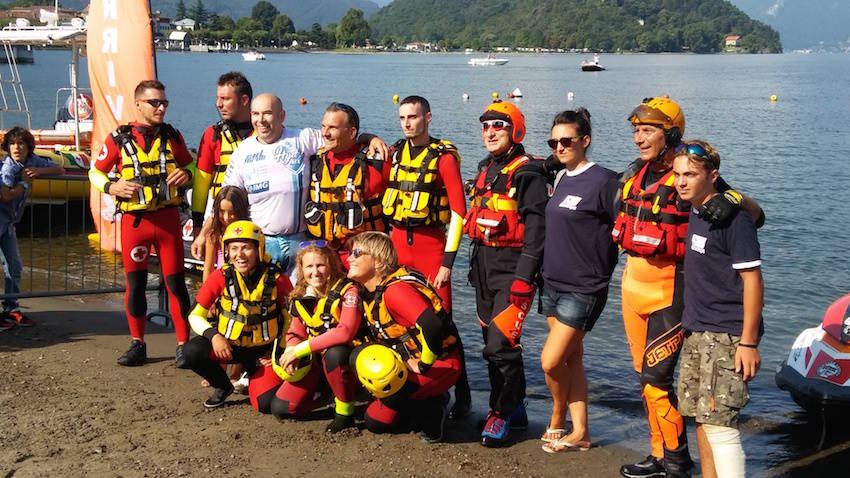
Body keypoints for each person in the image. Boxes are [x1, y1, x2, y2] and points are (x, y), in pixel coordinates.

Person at [614, 97, 764, 478]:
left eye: (648, 131)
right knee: (645, 378)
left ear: (672, 133)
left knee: (656, 378)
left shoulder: (693, 172)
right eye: (636, 130)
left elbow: (755, 215)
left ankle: (677, 462)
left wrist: (732, 199)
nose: (639, 138)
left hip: (670, 288)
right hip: (633, 282)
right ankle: (660, 454)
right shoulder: (638, 173)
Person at [193, 94, 388, 276]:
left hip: (299, 241)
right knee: (264, 300)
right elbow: (223, 200)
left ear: (282, 116)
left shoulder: (301, 138)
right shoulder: (242, 152)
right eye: (255, 114)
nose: (261, 120)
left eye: (268, 113)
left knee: (298, 300)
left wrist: (370, 138)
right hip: (263, 240)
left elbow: (340, 137)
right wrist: (203, 233)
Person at [672, 140, 763, 478]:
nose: (682, 181)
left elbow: (753, 281)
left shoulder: (734, 219)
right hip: (697, 329)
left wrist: (748, 342)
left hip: (727, 334)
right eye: (678, 174)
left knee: (721, 426)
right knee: (702, 420)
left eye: (691, 175)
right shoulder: (697, 208)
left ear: (713, 176)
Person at [88, 80, 194, 367]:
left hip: (168, 220)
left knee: (176, 285)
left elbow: (191, 165)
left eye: (164, 103)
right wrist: (112, 187)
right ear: (139, 104)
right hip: (135, 224)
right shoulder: (118, 139)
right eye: (155, 103)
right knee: (135, 286)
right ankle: (138, 344)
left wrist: (187, 175)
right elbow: (95, 173)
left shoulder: (173, 136)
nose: (161, 108)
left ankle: (184, 345)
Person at [464, 100, 548, 447]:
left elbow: (536, 231)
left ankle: (500, 412)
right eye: (486, 126)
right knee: (494, 343)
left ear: (515, 130)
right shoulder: (487, 168)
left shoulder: (528, 173)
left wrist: (524, 277)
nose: (490, 132)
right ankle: (514, 409)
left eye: (498, 125)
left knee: (500, 344)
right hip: (483, 269)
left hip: (513, 271)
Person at [383, 95, 471, 418]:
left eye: (414, 117)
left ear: (428, 118)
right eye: (403, 117)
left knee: (442, 320)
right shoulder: (394, 154)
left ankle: (461, 392)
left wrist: (447, 263)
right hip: (398, 250)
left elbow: (459, 213)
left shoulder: (443, 158)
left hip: (432, 249)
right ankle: (419, 386)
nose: (408, 123)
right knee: (405, 319)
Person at [538, 109, 619, 453]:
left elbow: (623, 231)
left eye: (566, 140)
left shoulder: (604, 181)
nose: (559, 146)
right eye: (554, 141)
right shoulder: (560, 178)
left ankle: (558, 416)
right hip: (552, 281)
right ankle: (581, 431)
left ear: (585, 141)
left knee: (550, 361)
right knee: (572, 359)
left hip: (584, 287)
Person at [347, 231, 461, 443]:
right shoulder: (367, 291)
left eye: (357, 253)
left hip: (439, 366)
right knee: (356, 355)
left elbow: (432, 325)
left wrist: (424, 364)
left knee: (375, 422)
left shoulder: (395, 291)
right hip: (407, 362)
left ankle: (434, 406)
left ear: (379, 263)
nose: (348, 258)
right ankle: (424, 401)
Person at [182, 220, 293, 409]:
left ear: (258, 249)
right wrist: (214, 336)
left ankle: (255, 379)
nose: (239, 255)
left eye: (246, 248)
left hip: (262, 351)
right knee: (191, 352)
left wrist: (277, 352)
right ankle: (223, 386)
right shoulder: (220, 277)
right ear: (227, 251)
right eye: (233, 248)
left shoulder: (278, 279)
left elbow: (292, 318)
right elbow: (194, 315)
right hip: (228, 346)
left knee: (264, 404)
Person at [270, 241, 365, 433]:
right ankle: (329, 392)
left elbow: (345, 331)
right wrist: (292, 349)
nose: (315, 272)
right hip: (317, 362)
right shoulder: (300, 295)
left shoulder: (349, 290)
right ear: (301, 269)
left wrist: (301, 349)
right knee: (281, 408)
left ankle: (345, 412)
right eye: (309, 267)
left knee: (335, 353)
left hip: (349, 361)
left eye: (320, 265)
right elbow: (295, 332)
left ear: (331, 263)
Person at [304, 103, 387, 266]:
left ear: (352, 132)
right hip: (324, 257)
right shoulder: (315, 160)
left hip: (363, 257)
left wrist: (371, 138)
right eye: (323, 126)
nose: (325, 133)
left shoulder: (376, 164)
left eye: (333, 128)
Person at [0, 127, 64, 328]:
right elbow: (6, 195)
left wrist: (39, 171)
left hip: (8, 223)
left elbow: (59, 169)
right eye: (12, 144)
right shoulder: (7, 168)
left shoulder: (32, 161)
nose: (16, 148)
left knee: (14, 267)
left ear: (28, 147)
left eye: (20, 144)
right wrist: (25, 184)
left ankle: (11, 309)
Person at [192, 72, 254, 234]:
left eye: (225, 99)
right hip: (220, 217)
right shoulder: (212, 135)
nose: (218, 104)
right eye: (218, 98)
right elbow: (201, 183)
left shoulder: (264, 134)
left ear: (244, 100)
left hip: (255, 214)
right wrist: (198, 224)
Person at [203, 185, 251, 281]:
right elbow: (208, 269)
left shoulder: (251, 233)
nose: (226, 217)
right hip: (222, 288)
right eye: (221, 211)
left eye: (232, 212)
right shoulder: (214, 235)